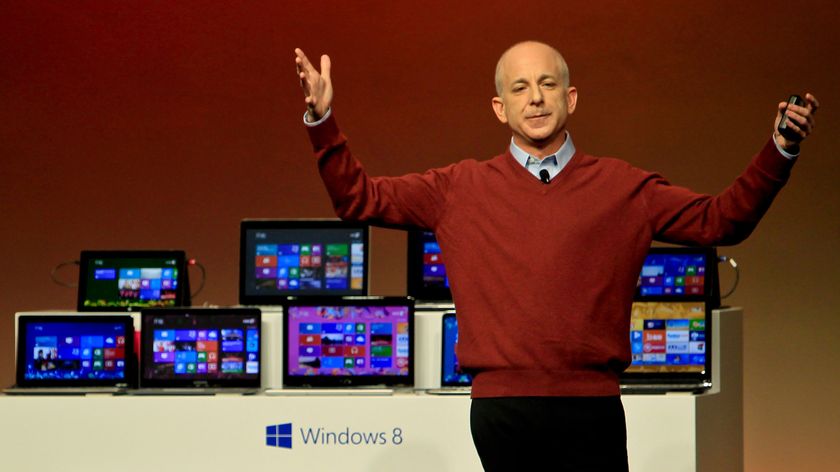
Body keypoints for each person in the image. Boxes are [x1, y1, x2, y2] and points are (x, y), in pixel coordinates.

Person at [294, 41, 818, 471]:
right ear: (500, 107)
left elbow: (722, 220)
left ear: (571, 98)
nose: (536, 98)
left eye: (547, 85)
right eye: (520, 88)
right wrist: (323, 123)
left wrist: (780, 148)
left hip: (591, 408)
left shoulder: (622, 187)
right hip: (502, 410)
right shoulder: (458, 188)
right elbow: (357, 198)